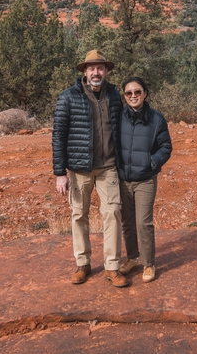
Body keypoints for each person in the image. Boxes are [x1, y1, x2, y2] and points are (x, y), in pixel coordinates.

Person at [53, 50, 129, 287]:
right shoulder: (68, 97)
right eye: (92, 68)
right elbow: (59, 135)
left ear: (105, 71)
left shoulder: (115, 96)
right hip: (79, 168)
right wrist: (59, 173)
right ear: (85, 71)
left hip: (109, 167)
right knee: (79, 215)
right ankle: (82, 264)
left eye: (100, 68)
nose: (96, 72)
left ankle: (112, 267)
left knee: (113, 214)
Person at [117, 77, 172, 283]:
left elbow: (165, 147)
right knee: (126, 223)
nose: (133, 96)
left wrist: (152, 163)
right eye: (129, 93)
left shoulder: (156, 119)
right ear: (124, 96)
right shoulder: (118, 117)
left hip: (145, 179)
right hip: (122, 179)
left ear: (145, 93)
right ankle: (132, 258)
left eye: (137, 92)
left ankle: (148, 264)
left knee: (143, 223)